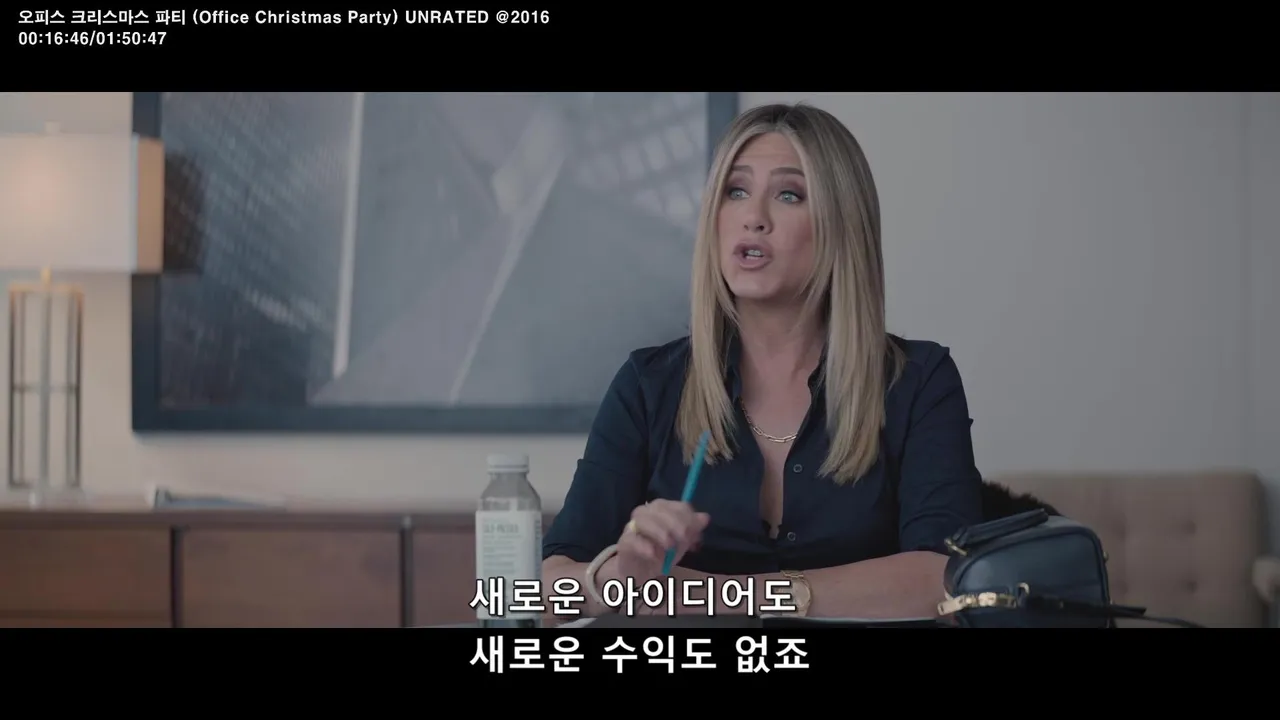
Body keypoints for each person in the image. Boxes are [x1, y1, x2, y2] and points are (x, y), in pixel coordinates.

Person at [541, 102, 983, 620]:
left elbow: (942, 577)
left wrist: (717, 594)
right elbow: (548, 587)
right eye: (736, 191)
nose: (753, 217)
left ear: (841, 225)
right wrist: (617, 576)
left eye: (789, 195)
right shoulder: (648, 385)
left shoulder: (918, 381)